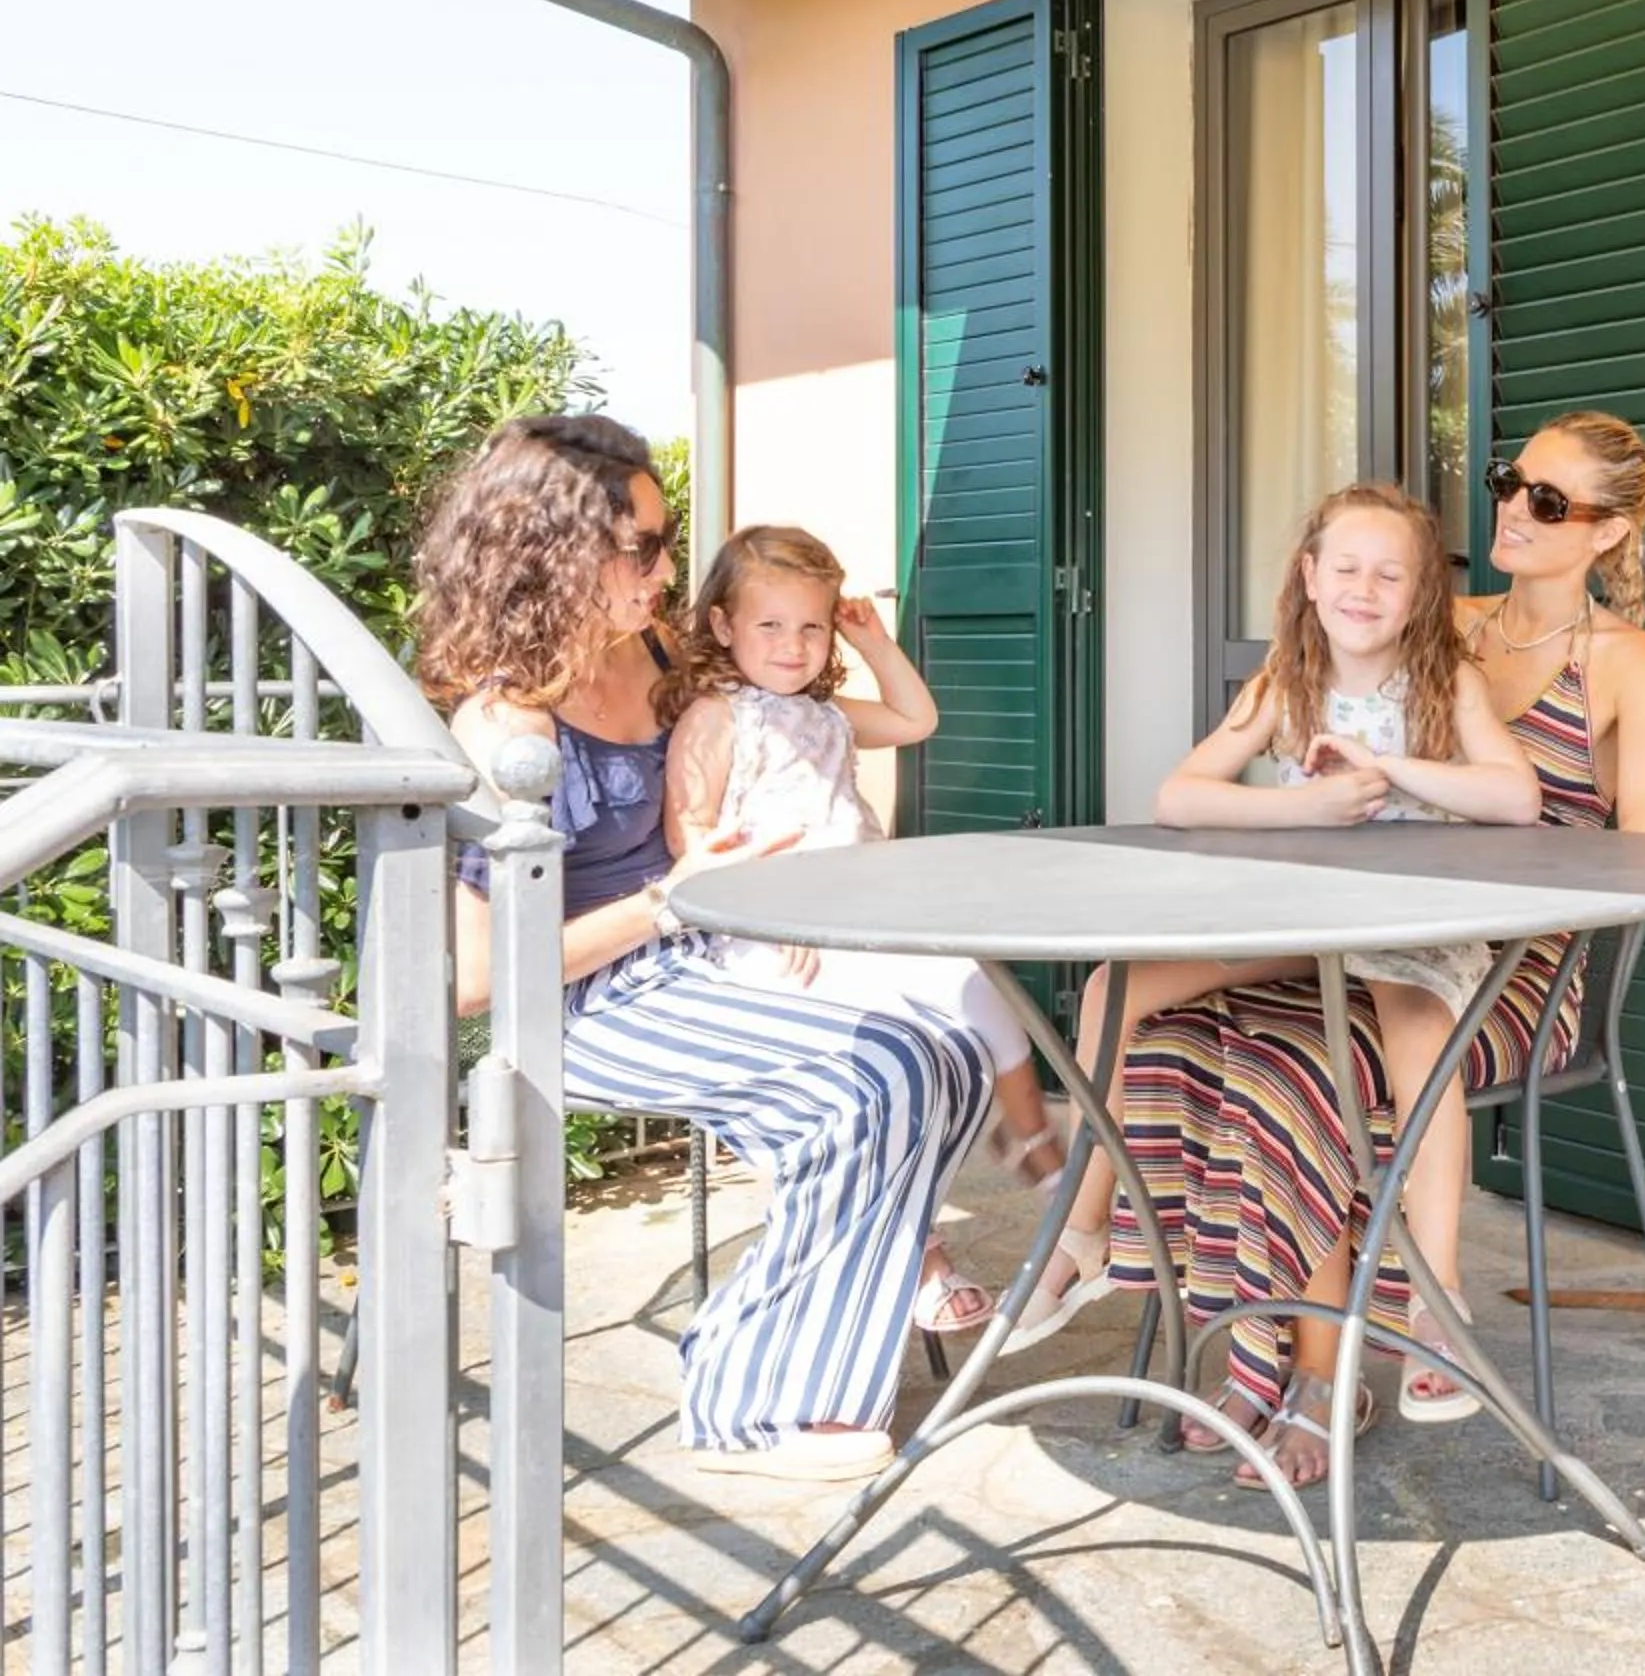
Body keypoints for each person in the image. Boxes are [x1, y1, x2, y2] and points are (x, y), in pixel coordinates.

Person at [1031, 412, 1645, 1487]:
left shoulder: (1629, 663)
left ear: (1609, 533)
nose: (1515, 509)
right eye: (1511, 481)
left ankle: (1335, 1372)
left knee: (1305, 1066)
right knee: (1181, 1027)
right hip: (1343, 923)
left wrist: (1490, 859)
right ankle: (1247, 1348)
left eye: (1550, 502)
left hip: (1515, 959)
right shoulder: (1425, 615)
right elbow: (1254, 742)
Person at [422, 415, 998, 1485]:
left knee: (950, 1051)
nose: (666, 566)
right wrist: (670, 900)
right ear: (554, 547)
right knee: (876, 1074)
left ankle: (839, 1325)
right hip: (583, 1001)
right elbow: (475, 982)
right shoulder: (509, 722)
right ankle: (750, 1398)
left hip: (696, 953)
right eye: (641, 545)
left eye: (664, 536)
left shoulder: (652, 652)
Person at [1003, 485, 1541, 1403]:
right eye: (1345, 568)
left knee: (1420, 1039)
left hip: (1417, 930)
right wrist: (1303, 808)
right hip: (1305, 925)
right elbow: (1181, 795)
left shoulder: (1448, 686)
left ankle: (1434, 1300)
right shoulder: (1283, 683)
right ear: (1308, 576)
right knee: (1109, 990)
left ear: (1418, 596)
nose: (1364, 589)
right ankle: (1083, 1226)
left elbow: (1517, 796)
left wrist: (1392, 772)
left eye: (1389, 574)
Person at [659, 523, 1072, 1333]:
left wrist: (873, 640)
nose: (794, 645)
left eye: (811, 626)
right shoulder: (716, 719)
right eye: (770, 625)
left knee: (983, 994)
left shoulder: (824, 714)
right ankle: (920, 1259)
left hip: (861, 919)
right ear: (722, 627)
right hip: (769, 934)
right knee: (876, 1076)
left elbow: (916, 721)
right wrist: (772, 923)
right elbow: (690, 847)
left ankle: (1038, 1153)